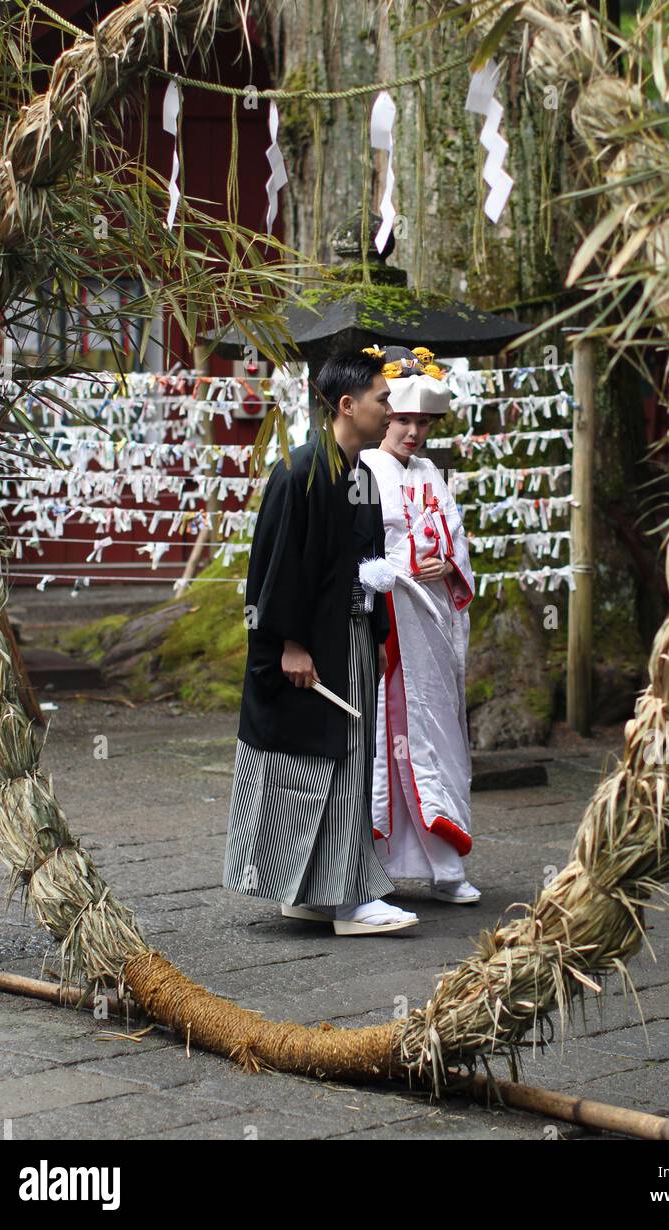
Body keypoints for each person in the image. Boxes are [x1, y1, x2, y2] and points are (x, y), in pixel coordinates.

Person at [223, 349, 419, 935]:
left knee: (350, 764)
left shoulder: (360, 477)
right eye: (383, 400)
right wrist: (288, 643)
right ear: (346, 404)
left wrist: (375, 604)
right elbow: (275, 566)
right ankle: (350, 901)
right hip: (311, 649)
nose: (390, 410)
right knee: (318, 767)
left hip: (350, 640)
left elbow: (357, 562)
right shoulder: (299, 471)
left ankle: (314, 893)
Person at [360, 346, 480, 904]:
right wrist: (405, 563)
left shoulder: (433, 473)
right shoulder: (363, 470)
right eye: (403, 419)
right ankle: (373, 869)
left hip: (428, 622)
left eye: (422, 422)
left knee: (436, 735)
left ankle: (445, 867)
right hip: (385, 619)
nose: (412, 431)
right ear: (385, 416)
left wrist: (447, 562)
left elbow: (455, 540)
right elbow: (362, 551)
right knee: (384, 740)